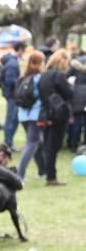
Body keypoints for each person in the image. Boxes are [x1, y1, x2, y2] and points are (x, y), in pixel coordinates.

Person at [38, 48, 73, 186]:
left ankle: (49, 173)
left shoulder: (44, 75)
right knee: (53, 145)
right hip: (58, 113)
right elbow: (69, 93)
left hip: (46, 113)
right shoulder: (58, 76)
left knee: (48, 144)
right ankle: (51, 176)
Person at [17, 51, 46, 182]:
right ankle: (19, 175)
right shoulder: (39, 77)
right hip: (35, 114)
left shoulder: (23, 77)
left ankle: (42, 171)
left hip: (23, 115)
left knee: (38, 142)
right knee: (32, 143)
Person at [0, 41, 26, 151]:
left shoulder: (9, 61)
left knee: (13, 119)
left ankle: (9, 142)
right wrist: (20, 83)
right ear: (20, 50)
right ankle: (8, 143)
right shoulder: (13, 63)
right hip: (13, 95)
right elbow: (10, 80)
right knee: (11, 119)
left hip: (11, 94)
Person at [68, 51, 86, 152]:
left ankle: (73, 145)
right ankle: (84, 145)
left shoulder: (74, 66)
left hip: (77, 96)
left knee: (76, 123)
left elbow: (67, 78)